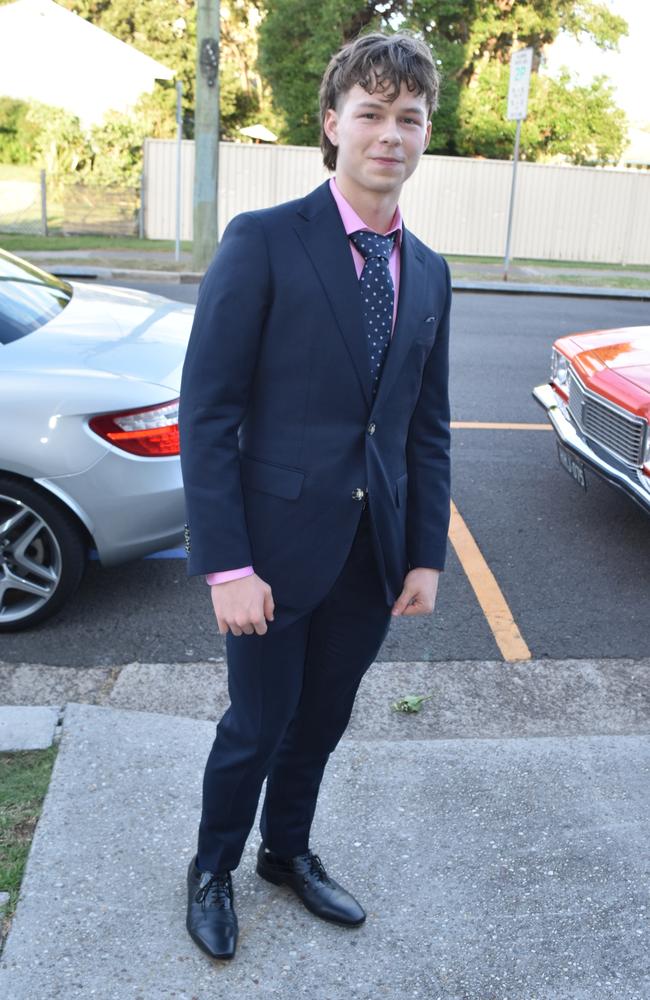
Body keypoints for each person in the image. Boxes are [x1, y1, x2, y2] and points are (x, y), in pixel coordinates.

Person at [178, 29, 452, 961]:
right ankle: (212, 866)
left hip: (369, 559)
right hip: (270, 553)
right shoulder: (263, 242)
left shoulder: (434, 273)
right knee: (255, 726)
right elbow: (206, 415)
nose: (390, 134)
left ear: (425, 136)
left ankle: (284, 853)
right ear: (331, 124)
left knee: (321, 724)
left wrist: (423, 553)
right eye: (371, 114)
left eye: (408, 118)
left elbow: (423, 428)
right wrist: (226, 565)